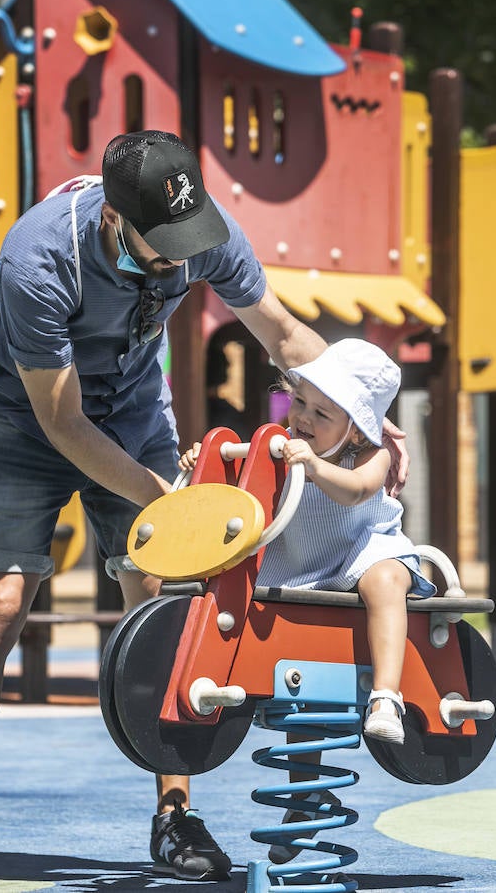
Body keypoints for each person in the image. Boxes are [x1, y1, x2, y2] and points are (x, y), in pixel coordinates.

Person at [0, 129, 401, 890]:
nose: (181, 256)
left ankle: (174, 816)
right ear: (115, 217)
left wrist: (358, 409)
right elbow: (63, 422)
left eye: (188, 238)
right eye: (162, 243)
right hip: (28, 416)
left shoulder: (200, 231)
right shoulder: (37, 260)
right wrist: (164, 496)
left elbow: (281, 333)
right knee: (1, 606)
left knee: (160, 605)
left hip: (136, 407)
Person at [178, 338, 430, 863]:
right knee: (303, 687)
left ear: (358, 427)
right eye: (300, 404)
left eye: (323, 412)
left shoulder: (372, 455)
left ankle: (386, 695)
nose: (304, 419)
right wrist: (208, 462)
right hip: (301, 569)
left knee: (386, 581)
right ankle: (306, 794)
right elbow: (238, 485)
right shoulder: (281, 444)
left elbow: (357, 491)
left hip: (363, 552)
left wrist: (313, 466)